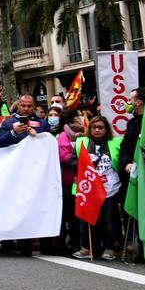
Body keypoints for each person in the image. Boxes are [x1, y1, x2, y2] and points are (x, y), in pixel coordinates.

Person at [72, 116, 124, 261]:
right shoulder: (81, 142)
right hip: (88, 188)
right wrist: (82, 164)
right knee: (85, 219)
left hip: (109, 187)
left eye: (100, 127)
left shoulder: (115, 143)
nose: (97, 130)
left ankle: (109, 248)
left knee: (108, 219)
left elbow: (122, 159)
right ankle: (86, 248)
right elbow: (71, 160)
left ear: (106, 129)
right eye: (94, 127)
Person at [55, 110, 86, 254]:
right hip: (69, 181)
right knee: (71, 215)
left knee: (80, 214)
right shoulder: (63, 136)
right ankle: (70, 244)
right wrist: (81, 162)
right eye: (79, 115)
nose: (82, 117)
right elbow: (64, 156)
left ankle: (82, 243)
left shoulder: (87, 134)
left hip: (85, 180)